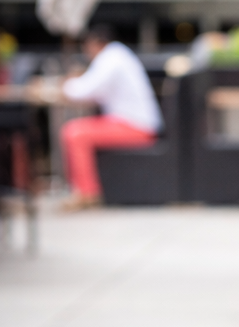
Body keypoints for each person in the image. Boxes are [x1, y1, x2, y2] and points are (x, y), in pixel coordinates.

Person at [60, 24, 162, 209]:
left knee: (74, 132)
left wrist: (65, 85)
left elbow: (84, 90)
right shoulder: (119, 55)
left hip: (136, 126)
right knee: (77, 130)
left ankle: (87, 193)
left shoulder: (111, 58)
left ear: (95, 44)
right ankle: (84, 191)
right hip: (132, 123)